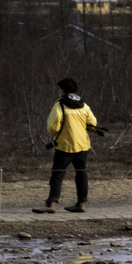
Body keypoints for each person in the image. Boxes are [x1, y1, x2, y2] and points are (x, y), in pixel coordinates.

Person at [34, 77, 104, 213]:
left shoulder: (59, 105)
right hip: (82, 145)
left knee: (57, 174)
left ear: (63, 90)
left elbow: (53, 127)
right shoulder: (84, 105)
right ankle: (81, 203)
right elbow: (93, 123)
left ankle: (51, 205)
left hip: (65, 145)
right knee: (81, 173)